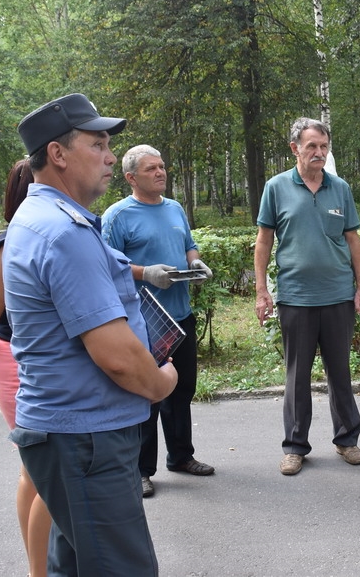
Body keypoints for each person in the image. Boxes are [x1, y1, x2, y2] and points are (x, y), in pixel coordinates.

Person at [3, 93, 178, 577]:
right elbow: (117, 356)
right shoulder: (64, 232)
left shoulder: (45, 219)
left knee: (76, 566)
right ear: (58, 154)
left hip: (73, 436)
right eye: (98, 144)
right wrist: (162, 382)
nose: (108, 157)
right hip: (86, 439)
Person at [254, 117, 360, 476]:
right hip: (295, 297)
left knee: (340, 372)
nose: (319, 153)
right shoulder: (276, 188)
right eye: (311, 147)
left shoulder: (340, 188)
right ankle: (294, 446)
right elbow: (263, 242)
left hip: (337, 296)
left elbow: (353, 241)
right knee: (297, 375)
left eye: (323, 146)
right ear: (295, 149)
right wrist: (262, 292)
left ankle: (347, 440)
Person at [102, 145, 215, 499]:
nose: (160, 172)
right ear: (131, 177)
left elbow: (189, 244)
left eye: (162, 166)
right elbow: (106, 266)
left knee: (181, 391)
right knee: (147, 395)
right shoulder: (118, 216)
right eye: (151, 169)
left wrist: (195, 262)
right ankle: (140, 471)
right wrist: (145, 273)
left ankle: (181, 457)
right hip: (143, 321)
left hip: (180, 316)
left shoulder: (175, 208)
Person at [0, 159, 52, 577]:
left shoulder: (45, 237)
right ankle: (41, 569)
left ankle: (41, 563)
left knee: (35, 471)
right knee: (48, 472)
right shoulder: (6, 251)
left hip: (26, 361)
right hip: (14, 363)